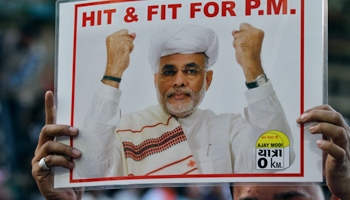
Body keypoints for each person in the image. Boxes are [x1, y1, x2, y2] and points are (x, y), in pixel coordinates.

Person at [72, 23, 292, 178]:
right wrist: (113, 71)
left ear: (207, 79)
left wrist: (252, 67)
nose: (179, 81)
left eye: (190, 71)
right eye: (169, 72)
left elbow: (276, 161)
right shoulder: (125, 130)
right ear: (156, 80)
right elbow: (91, 171)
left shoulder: (228, 128)